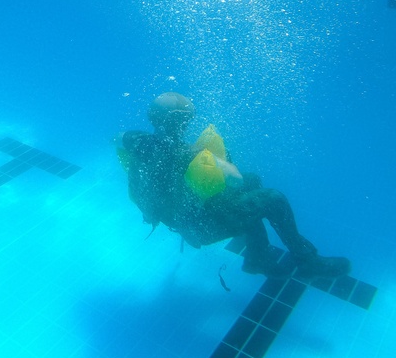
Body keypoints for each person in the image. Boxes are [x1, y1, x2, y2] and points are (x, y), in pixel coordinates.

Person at [119, 92, 350, 279]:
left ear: (152, 118)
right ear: (182, 121)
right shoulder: (189, 153)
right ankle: (307, 261)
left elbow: (119, 139)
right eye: (187, 120)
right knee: (271, 198)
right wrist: (218, 158)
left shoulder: (136, 140)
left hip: (179, 217)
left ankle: (258, 258)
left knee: (251, 185)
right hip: (199, 227)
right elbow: (235, 178)